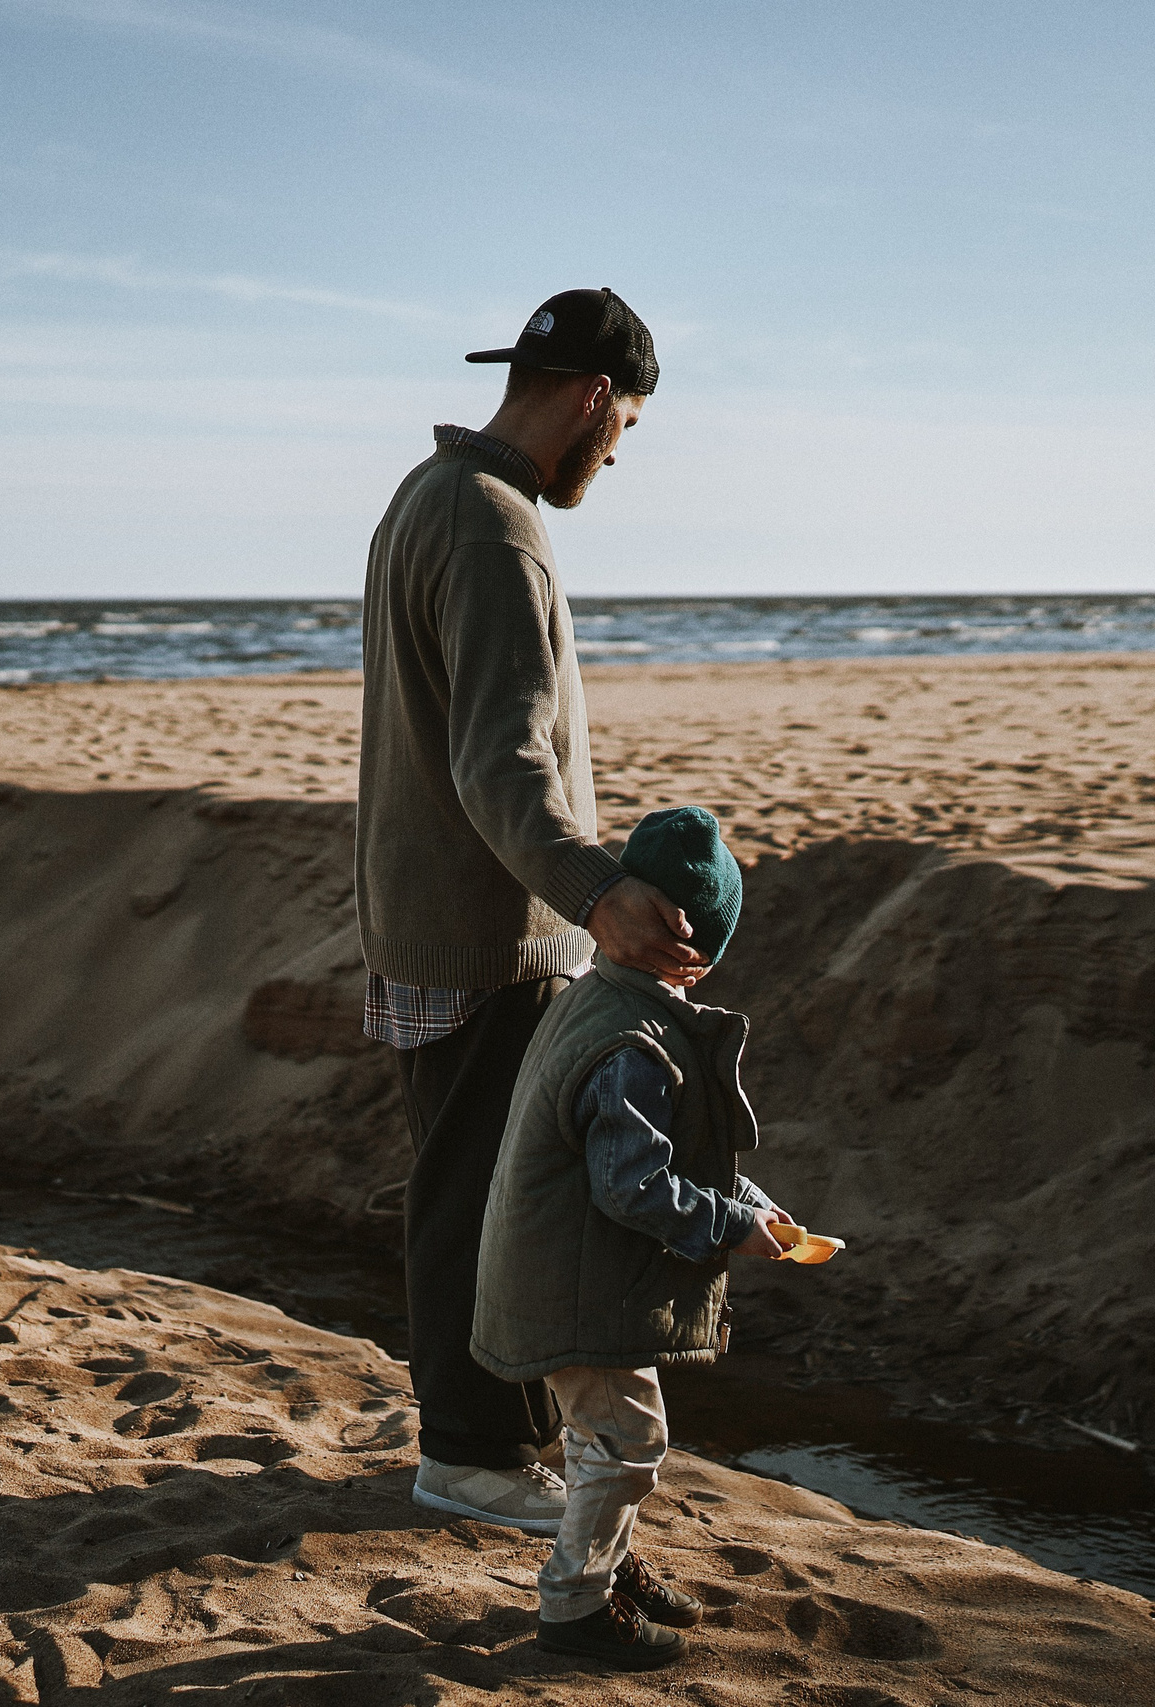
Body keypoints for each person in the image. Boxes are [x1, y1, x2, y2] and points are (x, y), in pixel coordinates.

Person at [357, 288, 705, 1535]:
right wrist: (598, 894)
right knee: (481, 1203)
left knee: (468, 1185)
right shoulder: (495, 523)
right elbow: (499, 762)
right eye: (627, 429)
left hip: (435, 909)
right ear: (596, 398)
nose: (617, 454)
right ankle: (472, 1457)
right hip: (484, 929)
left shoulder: (428, 493)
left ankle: (489, 1444)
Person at [471, 805, 792, 1670]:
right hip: (577, 1290)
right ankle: (575, 1603)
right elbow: (633, 1186)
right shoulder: (635, 1045)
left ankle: (607, 1565)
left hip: (565, 1274)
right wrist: (732, 1228)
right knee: (630, 1443)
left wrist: (750, 1202)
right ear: (697, 949)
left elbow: (663, 1156)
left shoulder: (602, 997)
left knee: (602, 1437)